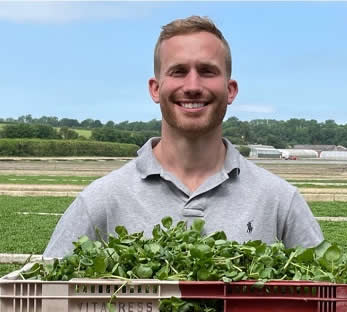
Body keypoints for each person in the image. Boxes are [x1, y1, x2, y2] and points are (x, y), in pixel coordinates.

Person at [43, 16, 323, 258]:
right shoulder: (101, 201)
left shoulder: (279, 201)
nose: (192, 86)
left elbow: (332, 301)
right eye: (178, 72)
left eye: (207, 71)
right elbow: (45, 303)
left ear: (231, 89)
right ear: (155, 88)